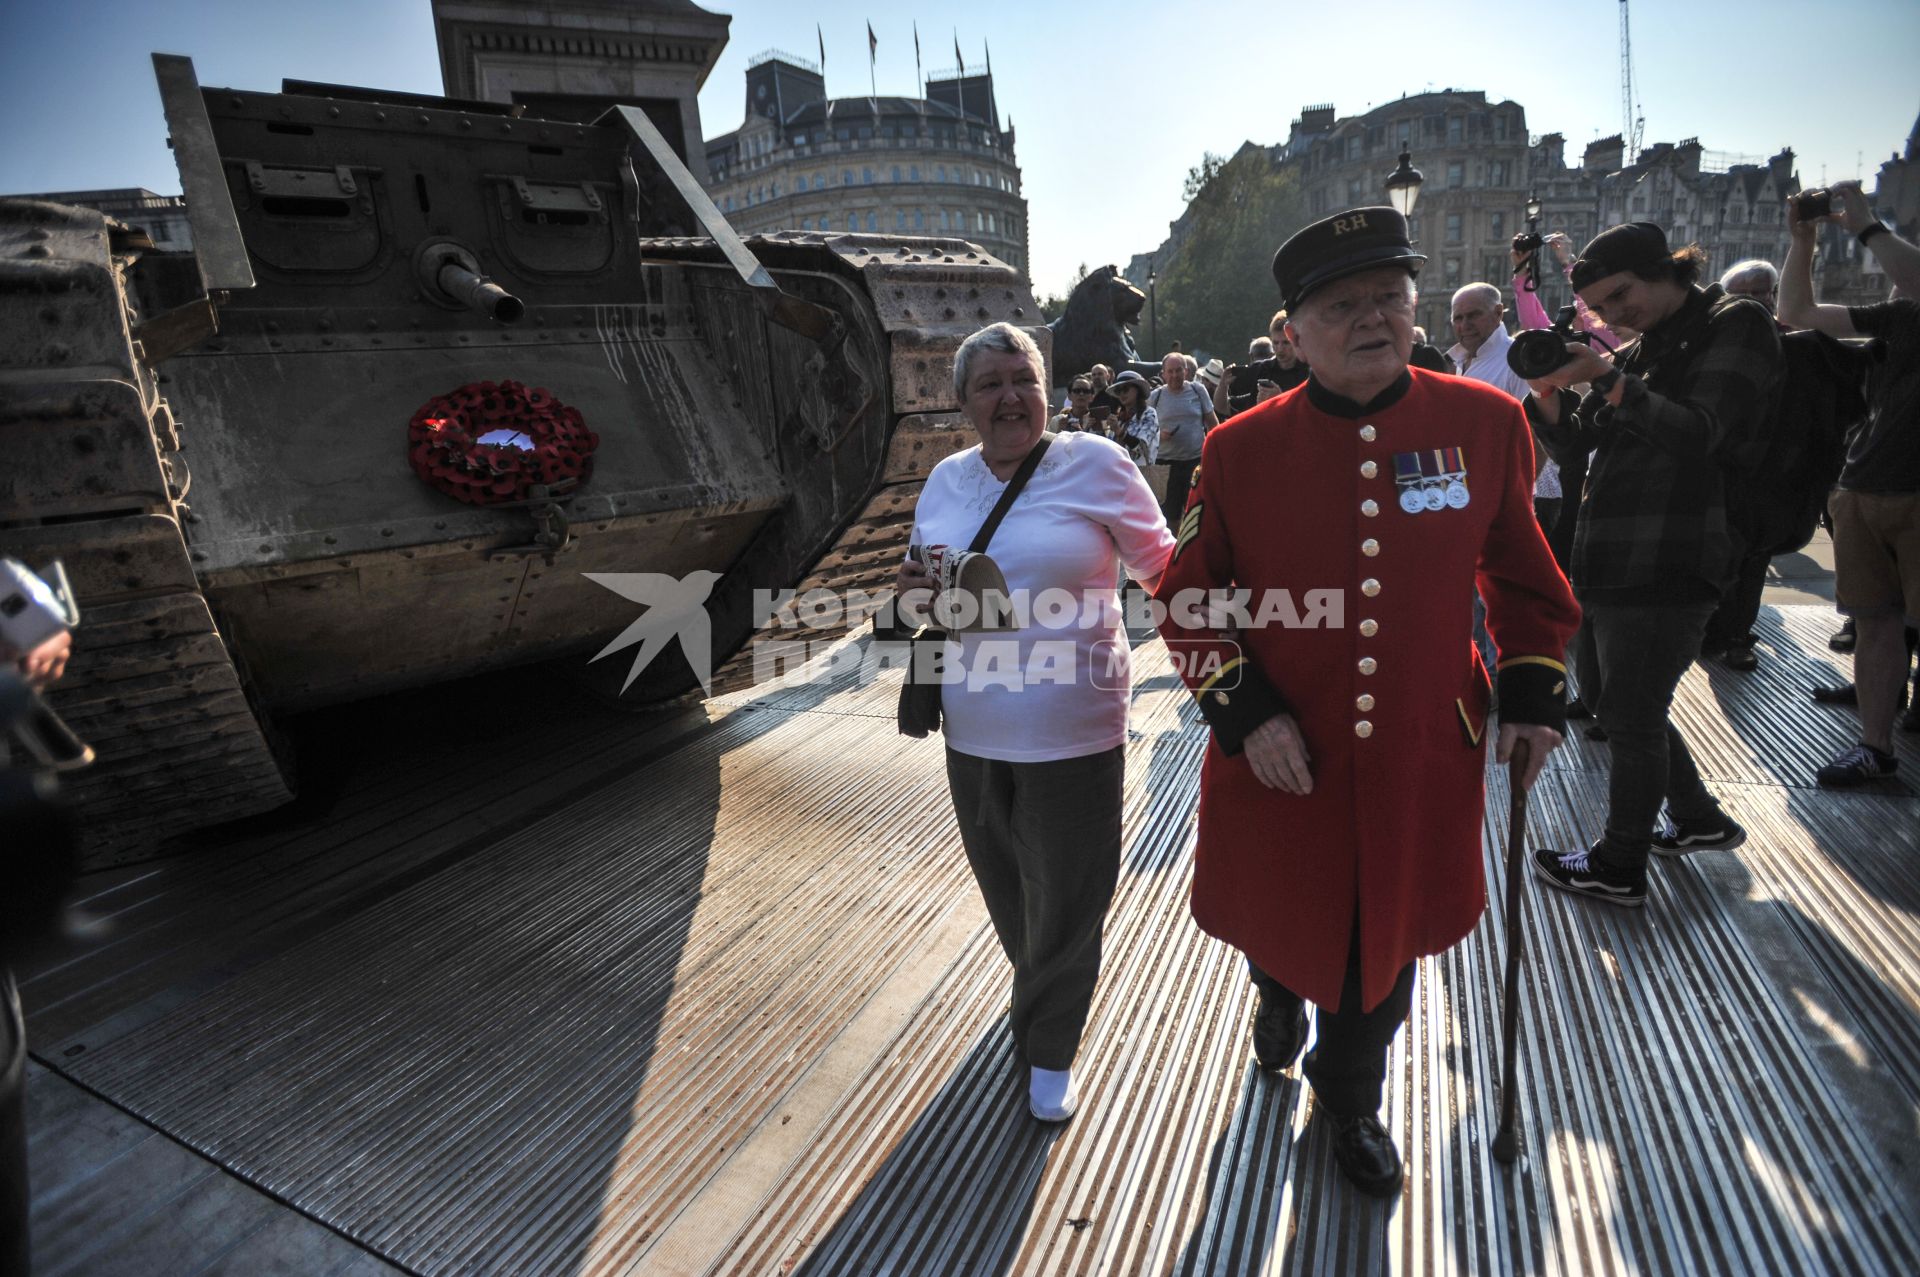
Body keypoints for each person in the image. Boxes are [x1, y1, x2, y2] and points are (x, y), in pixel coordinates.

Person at [1155, 206, 1579, 1197]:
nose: (1373, 317)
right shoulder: (1237, 449)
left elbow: (1522, 577)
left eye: (1390, 295)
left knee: (1378, 954)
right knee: (1282, 922)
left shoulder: (1483, 423)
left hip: (1417, 754)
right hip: (1282, 751)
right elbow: (1188, 598)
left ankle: (1348, 1096)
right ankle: (1272, 993)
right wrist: (1245, 711)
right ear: (1294, 331)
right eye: (1343, 304)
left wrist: (1529, 692)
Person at [893, 322, 1176, 1123]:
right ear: (964, 403)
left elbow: (1165, 570)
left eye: (1023, 378)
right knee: (1009, 885)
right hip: (972, 727)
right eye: (989, 384)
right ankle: (1042, 987)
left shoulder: (1096, 463)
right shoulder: (946, 479)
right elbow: (926, 594)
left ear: (1048, 389)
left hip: (1074, 725)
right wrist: (913, 591)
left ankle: (1049, 1043)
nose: (1010, 396)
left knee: (1070, 893)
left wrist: (1223, 671)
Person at [1524, 221, 1781, 905]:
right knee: (1619, 703)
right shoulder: (1646, 348)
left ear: (1668, 268)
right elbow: (1579, 452)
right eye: (1603, 307)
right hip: (1610, 557)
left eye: (1620, 295)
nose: (1613, 314)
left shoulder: (1737, 321)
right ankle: (1697, 818)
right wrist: (1550, 404)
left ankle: (1620, 862)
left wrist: (1608, 375)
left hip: (1676, 552)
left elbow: (1701, 432)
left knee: (1632, 715)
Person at [1777, 182, 1920, 785]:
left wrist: (1866, 226)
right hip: (1866, 485)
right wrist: (1802, 243)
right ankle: (1876, 745)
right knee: (1876, 620)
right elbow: (1796, 315)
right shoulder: (1897, 317)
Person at [1149, 352, 1219, 529]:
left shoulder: (1197, 390)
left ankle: (1194, 551)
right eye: (1170, 371)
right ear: (1163, 374)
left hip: (1194, 462)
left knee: (1196, 512)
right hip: (1165, 465)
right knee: (1169, 516)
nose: (1174, 376)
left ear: (1186, 371)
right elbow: (1146, 430)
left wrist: (1216, 452)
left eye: (1178, 370)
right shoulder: (1155, 396)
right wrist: (1159, 435)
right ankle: (1173, 552)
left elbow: (1212, 422)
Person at [1107, 369, 1160, 464]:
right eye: (1119, 391)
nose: (1122, 394)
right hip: (1118, 472)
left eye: (1126, 389)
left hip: (1140, 474)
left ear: (1137, 390)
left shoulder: (1149, 413)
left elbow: (1140, 447)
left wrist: (1119, 431)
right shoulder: (1119, 418)